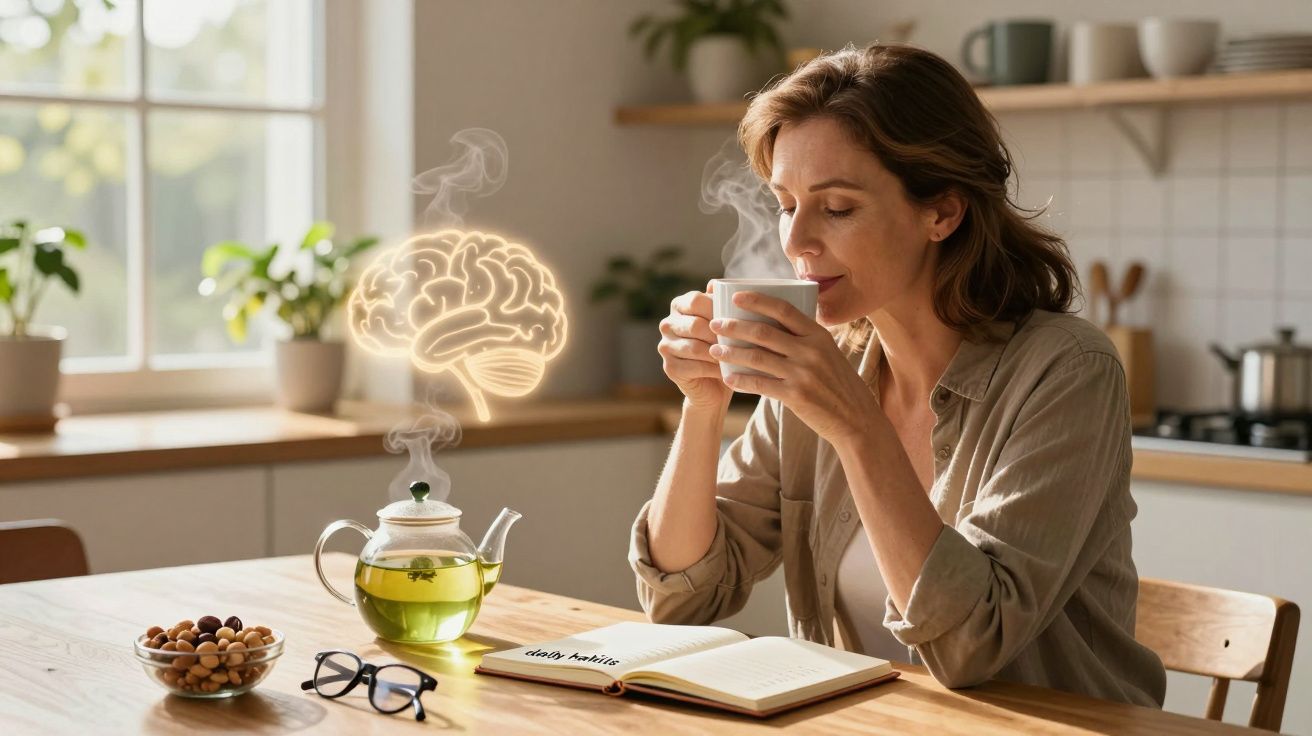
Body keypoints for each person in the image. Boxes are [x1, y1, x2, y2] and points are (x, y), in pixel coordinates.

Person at [628, 43, 1166, 707]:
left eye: (838, 208)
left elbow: (971, 640)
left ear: (941, 211)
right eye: (786, 203)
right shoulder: (821, 365)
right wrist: (703, 405)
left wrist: (858, 427)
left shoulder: (1066, 372)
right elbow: (683, 595)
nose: (795, 242)